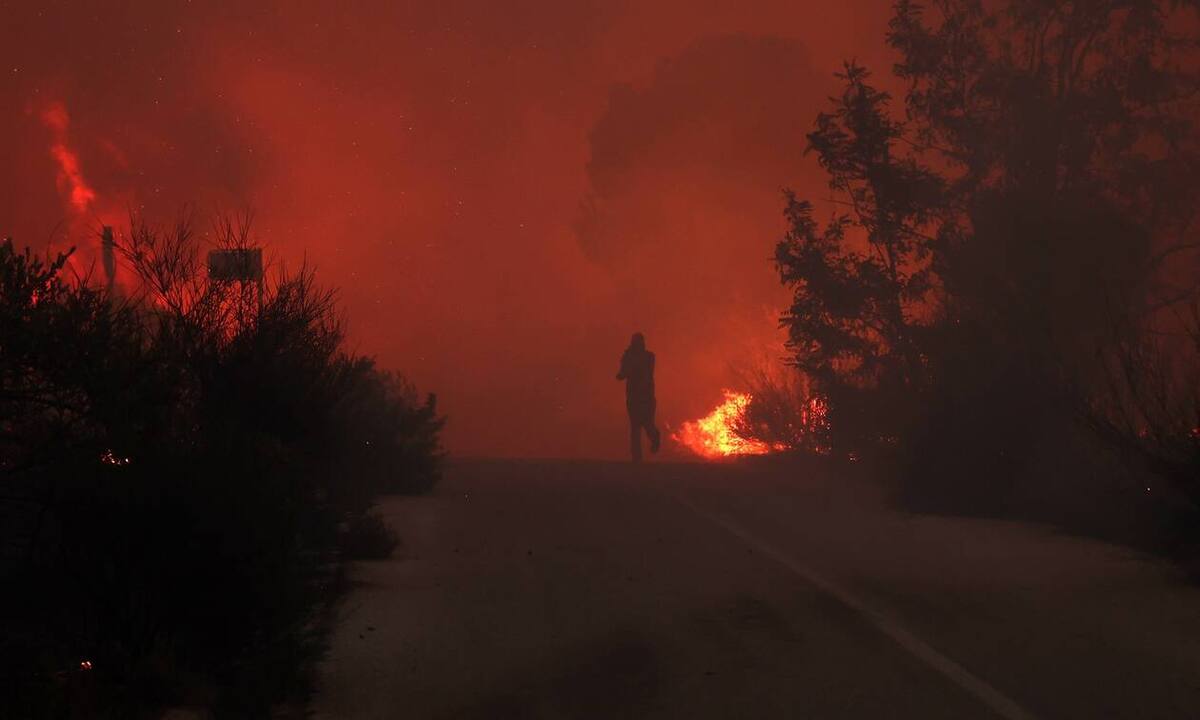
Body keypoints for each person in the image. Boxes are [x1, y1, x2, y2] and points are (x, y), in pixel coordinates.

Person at [616, 332, 661, 462]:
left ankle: (654, 437)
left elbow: (640, 371)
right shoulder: (628, 356)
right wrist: (621, 374)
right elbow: (623, 372)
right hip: (633, 396)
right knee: (635, 426)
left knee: (647, 424)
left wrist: (626, 370)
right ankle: (636, 459)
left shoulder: (648, 357)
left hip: (646, 396)